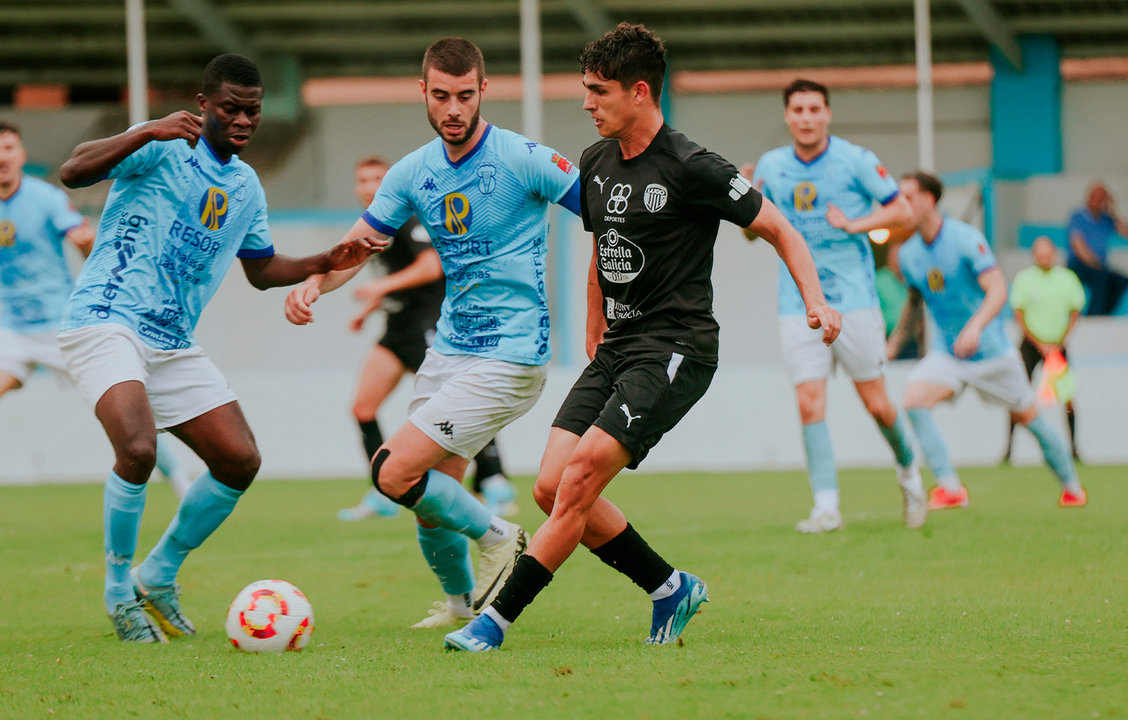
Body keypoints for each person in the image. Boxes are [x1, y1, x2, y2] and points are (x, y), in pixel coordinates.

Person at [444, 23, 842, 652]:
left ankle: (492, 624)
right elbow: (603, 248)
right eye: (585, 90)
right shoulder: (596, 161)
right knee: (549, 488)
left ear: (639, 91)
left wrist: (816, 300)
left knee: (576, 483)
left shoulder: (693, 166)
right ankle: (668, 588)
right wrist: (593, 328)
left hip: (679, 347)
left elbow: (782, 229)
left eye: (597, 91)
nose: (586, 103)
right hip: (618, 349)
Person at [56, 54, 384, 642]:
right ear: (203, 104)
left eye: (251, 111)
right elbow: (73, 172)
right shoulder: (161, 147)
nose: (241, 120)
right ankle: (116, 593)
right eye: (230, 108)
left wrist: (324, 261)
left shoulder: (245, 186)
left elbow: (259, 269)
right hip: (106, 318)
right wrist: (148, 129)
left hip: (170, 341)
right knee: (137, 449)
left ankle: (156, 574)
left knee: (239, 460)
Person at [285, 37, 582, 630]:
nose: (453, 108)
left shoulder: (523, 157)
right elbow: (359, 245)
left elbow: (606, 211)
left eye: (465, 96)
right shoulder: (410, 173)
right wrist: (317, 280)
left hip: (512, 353)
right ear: (423, 91)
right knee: (428, 502)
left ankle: (502, 537)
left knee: (393, 471)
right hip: (449, 351)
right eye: (441, 96)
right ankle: (458, 604)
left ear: (483, 91)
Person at [0, 122, 193, 530]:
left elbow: (87, 245)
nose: (1, 156)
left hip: (65, 327)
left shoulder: (46, 199)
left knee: (131, 416)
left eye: (8, 147)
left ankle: (185, 489)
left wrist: (85, 243)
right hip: (13, 331)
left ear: (21, 155)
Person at [748, 78, 923, 533]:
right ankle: (826, 508)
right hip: (799, 301)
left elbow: (902, 211)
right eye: (798, 110)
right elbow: (752, 231)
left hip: (855, 302)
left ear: (828, 114)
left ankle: (908, 470)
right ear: (787, 116)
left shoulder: (855, 160)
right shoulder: (771, 165)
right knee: (810, 404)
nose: (806, 118)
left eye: (814, 109)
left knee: (880, 407)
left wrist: (855, 224)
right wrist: (746, 192)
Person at [887, 172, 1086, 510]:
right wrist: (893, 343)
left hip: (991, 353)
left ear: (930, 200)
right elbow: (915, 303)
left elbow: (997, 288)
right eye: (898, 197)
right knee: (913, 399)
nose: (900, 204)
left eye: (908, 196)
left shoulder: (965, 238)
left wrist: (976, 326)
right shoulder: (908, 254)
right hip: (947, 353)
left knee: (1030, 418)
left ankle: (1072, 486)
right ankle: (950, 487)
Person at [335, 155, 518, 522]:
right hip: (398, 329)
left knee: (456, 407)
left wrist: (379, 287)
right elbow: (398, 275)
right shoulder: (377, 226)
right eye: (363, 179)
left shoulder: (407, 217)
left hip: (427, 325)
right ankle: (383, 491)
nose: (370, 186)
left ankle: (495, 482)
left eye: (377, 178)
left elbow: (429, 266)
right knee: (363, 408)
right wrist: (368, 308)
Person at [1004, 235, 1085, 462]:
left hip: (1058, 346)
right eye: (1039, 254)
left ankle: (1074, 448)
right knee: (1017, 395)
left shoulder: (1067, 278)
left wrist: (1060, 341)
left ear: (1054, 254)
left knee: (1067, 397)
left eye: (1047, 254)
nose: (1043, 258)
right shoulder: (1024, 279)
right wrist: (1039, 344)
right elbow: (1018, 315)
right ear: (1034, 256)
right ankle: (1008, 449)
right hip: (1031, 345)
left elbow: (1075, 311)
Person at [1067, 182, 1128, 316]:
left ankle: (1104, 314)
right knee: (1101, 276)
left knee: (1121, 281)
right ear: (1088, 197)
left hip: (1099, 266)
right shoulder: (1078, 217)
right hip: (1079, 265)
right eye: (1095, 197)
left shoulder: (1107, 220)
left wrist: (1112, 211)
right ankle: (1093, 317)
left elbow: (1125, 232)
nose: (1098, 201)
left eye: (1102, 198)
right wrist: (1096, 264)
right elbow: (1078, 246)